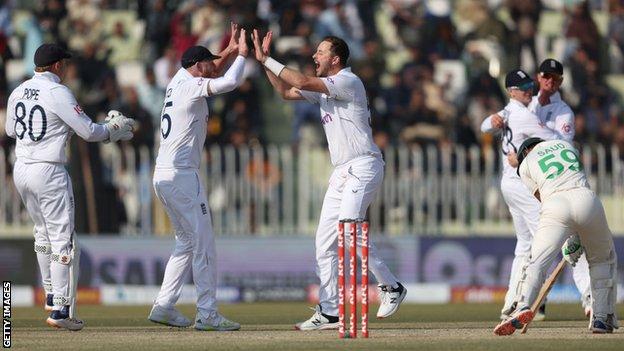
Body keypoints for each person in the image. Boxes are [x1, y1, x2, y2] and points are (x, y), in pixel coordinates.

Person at [251, 30, 407, 330]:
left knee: (349, 230)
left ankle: (391, 286)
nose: (314, 56)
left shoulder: (348, 81)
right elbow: (286, 92)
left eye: (320, 53)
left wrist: (269, 59)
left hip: (364, 165)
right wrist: (262, 63)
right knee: (324, 243)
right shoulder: (326, 88)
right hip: (341, 172)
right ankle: (330, 311)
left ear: (335, 60)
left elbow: (300, 81)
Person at [5, 43, 135, 331]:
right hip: (48, 170)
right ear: (56, 66)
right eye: (65, 63)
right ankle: (62, 310)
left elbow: (10, 131)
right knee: (64, 239)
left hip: (22, 168)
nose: (67, 67)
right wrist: (113, 130)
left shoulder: (18, 90)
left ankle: (51, 294)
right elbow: (89, 131)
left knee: (42, 233)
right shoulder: (59, 92)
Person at [148, 24, 247, 331]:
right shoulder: (192, 86)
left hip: (164, 175)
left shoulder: (180, 79)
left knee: (186, 243)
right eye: (207, 63)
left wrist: (228, 51)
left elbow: (214, 69)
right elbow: (229, 81)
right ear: (196, 66)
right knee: (204, 243)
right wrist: (243, 55)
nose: (212, 68)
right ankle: (207, 313)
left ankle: (164, 306)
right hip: (182, 177)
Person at [494, 137, 618, 335]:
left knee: (536, 262)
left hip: (555, 204)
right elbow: (576, 178)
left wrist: (569, 236)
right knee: (602, 260)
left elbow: (542, 198)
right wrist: (577, 236)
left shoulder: (525, 164)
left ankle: (522, 305)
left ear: (525, 152)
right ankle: (602, 318)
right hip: (587, 200)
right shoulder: (567, 146)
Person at [480, 69, 560, 321]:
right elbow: (556, 140)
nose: (529, 89)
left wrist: (491, 121)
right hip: (522, 185)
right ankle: (523, 300)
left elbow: (487, 125)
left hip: (510, 184)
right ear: (511, 91)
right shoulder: (522, 115)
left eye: (529, 84)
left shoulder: (510, 111)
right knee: (543, 240)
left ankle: (511, 301)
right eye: (524, 86)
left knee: (524, 245)